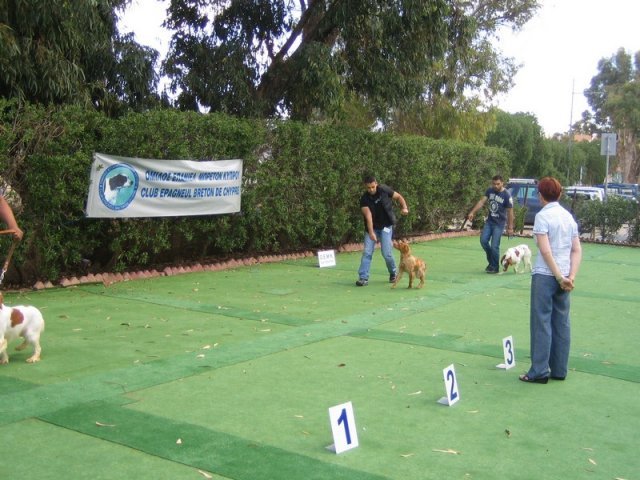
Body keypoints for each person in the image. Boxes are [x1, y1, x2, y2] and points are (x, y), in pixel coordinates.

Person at [519, 177, 582, 384]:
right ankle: (559, 369)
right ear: (560, 194)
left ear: (540, 195)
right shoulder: (568, 217)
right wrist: (570, 277)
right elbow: (576, 250)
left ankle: (538, 371)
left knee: (541, 322)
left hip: (546, 275)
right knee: (561, 322)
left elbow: (545, 251)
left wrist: (558, 276)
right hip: (565, 276)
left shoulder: (542, 217)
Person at [356, 175, 409, 286]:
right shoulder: (364, 199)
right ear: (365, 187)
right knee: (367, 252)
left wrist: (404, 207)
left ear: (376, 183)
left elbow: (399, 197)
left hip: (386, 226)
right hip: (372, 228)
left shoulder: (384, 190)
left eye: (372, 187)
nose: (371, 190)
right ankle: (363, 278)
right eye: (368, 188)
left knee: (387, 253)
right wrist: (371, 233)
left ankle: (393, 273)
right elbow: (368, 217)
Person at [467, 175, 514, 273]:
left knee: (494, 246)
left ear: (502, 183)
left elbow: (510, 212)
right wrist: (472, 212)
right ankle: (491, 262)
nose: (495, 186)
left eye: (498, 184)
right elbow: (481, 202)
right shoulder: (490, 191)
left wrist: (510, 227)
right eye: (494, 184)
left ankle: (495, 267)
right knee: (483, 241)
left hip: (499, 224)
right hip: (489, 222)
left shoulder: (507, 195)